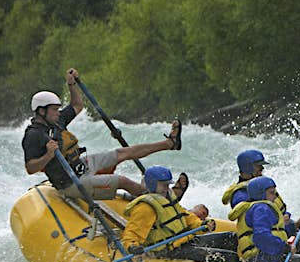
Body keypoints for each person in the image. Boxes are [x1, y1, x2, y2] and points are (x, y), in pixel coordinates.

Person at [23, 67, 182, 200]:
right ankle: (159, 199)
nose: (58, 113)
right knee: (122, 180)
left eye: (58, 109)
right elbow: (30, 168)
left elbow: (77, 105)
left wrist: (71, 84)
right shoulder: (33, 135)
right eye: (54, 110)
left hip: (81, 166)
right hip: (70, 184)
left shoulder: (56, 121)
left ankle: (169, 143)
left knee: (122, 153)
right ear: (41, 111)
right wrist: (48, 155)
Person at [122, 166, 239, 262]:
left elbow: (184, 215)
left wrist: (200, 224)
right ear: (152, 184)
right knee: (230, 258)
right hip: (169, 250)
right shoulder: (145, 208)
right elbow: (132, 232)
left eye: (168, 184)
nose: (167, 188)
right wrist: (132, 246)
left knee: (231, 238)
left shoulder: (168, 197)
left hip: (185, 240)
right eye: (163, 185)